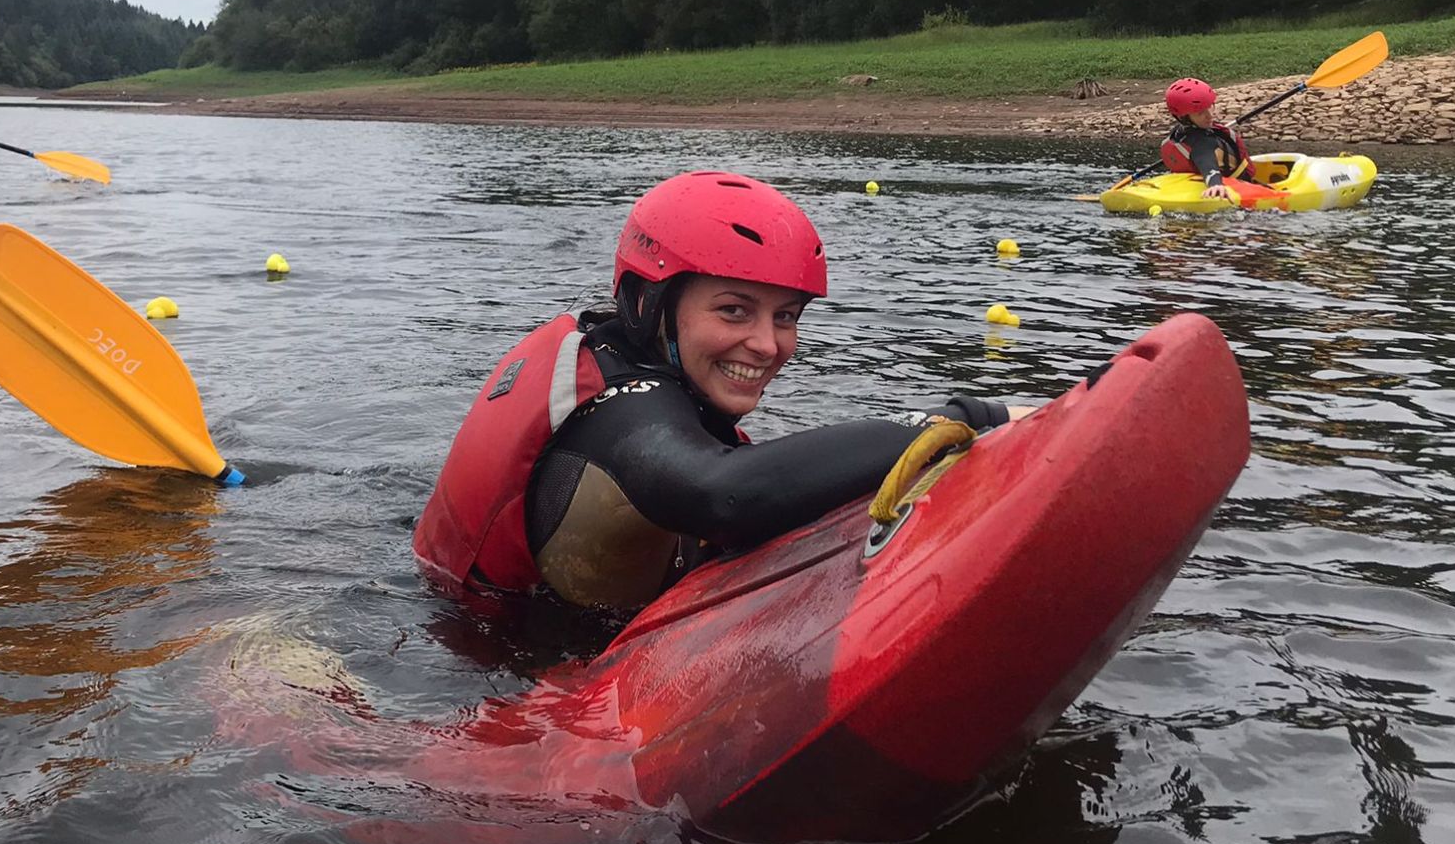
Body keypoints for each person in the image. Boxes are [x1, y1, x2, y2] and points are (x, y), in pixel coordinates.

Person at [414, 170, 1033, 613]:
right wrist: (974, 416)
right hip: (488, 673)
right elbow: (725, 495)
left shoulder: (635, 374)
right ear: (646, 305)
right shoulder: (617, 416)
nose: (767, 345)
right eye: (735, 311)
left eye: (786, 317)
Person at [1158, 78, 1250, 200]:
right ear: (1184, 117)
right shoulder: (1198, 141)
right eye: (1200, 113)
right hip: (1231, 184)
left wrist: (1215, 184)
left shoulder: (1185, 135)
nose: (1209, 115)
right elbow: (1205, 160)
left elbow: (1205, 161)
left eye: (1210, 107)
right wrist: (1215, 185)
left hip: (1239, 185)